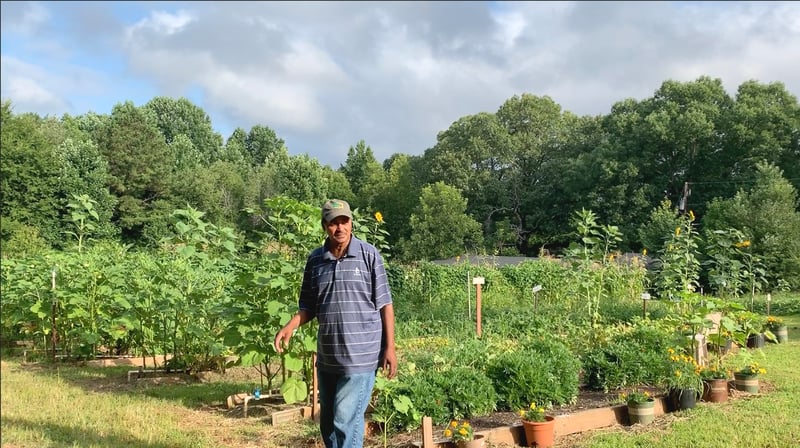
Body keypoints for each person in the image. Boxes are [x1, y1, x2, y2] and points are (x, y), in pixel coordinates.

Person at [274, 199, 397, 448]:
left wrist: (390, 348)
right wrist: (291, 325)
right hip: (328, 356)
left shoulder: (369, 256)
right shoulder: (315, 260)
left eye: (344, 221)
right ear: (324, 226)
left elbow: (385, 304)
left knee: (346, 420)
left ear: (352, 223)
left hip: (360, 356)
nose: (340, 228)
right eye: (333, 223)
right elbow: (308, 306)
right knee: (328, 423)